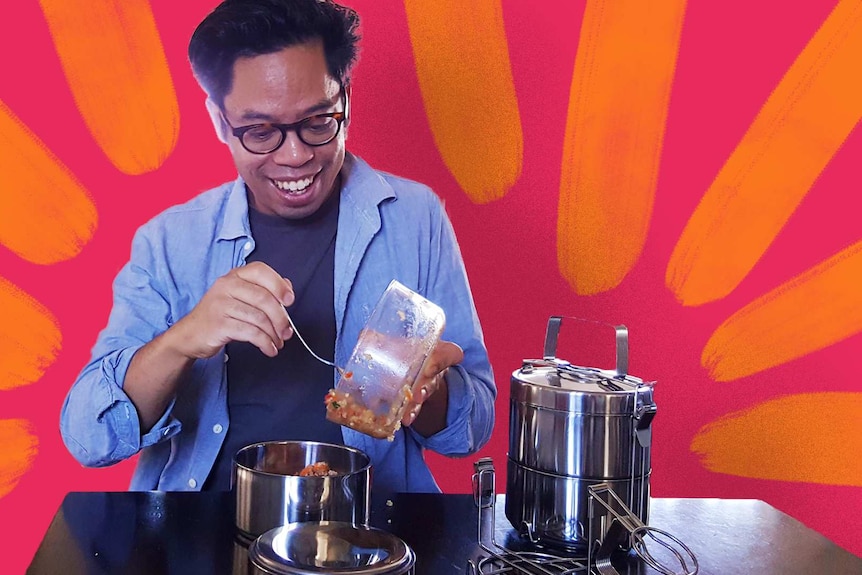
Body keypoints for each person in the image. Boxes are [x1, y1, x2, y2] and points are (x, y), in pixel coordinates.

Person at [59, 0, 496, 493]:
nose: (295, 156)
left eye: (317, 122)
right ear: (221, 123)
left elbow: (470, 431)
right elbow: (89, 439)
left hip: (367, 523)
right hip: (206, 519)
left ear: (345, 101)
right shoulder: (169, 242)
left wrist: (425, 392)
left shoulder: (416, 219)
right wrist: (183, 338)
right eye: (261, 131)